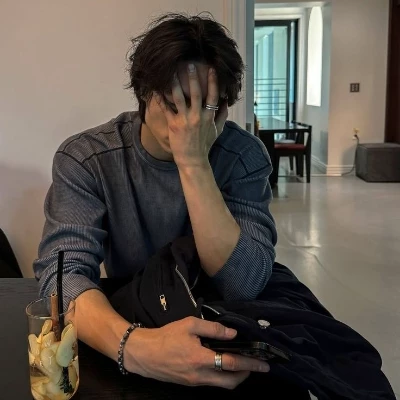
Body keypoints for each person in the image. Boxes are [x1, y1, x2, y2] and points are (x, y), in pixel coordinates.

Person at [33, 12, 278, 390]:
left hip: (221, 326)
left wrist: (193, 162)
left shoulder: (243, 156)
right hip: (130, 319)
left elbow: (243, 284)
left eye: (208, 107)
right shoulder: (87, 158)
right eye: (176, 102)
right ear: (145, 91)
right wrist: (135, 348)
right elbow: (63, 276)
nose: (191, 123)